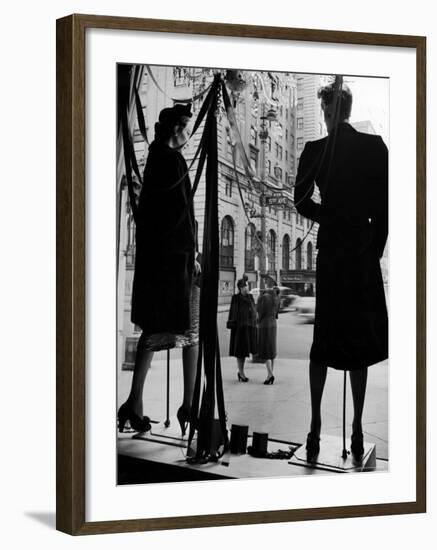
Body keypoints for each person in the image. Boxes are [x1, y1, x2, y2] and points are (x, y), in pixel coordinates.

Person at [294, 80, 388, 462]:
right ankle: (357, 428)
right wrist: (372, 247)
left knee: (325, 339)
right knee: (358, 346)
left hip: (333, 253)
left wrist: (326, 216)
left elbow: (301, 200)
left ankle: (315, 427)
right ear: (346, 109)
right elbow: (385, 207)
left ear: (328, 112)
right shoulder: (374, 147)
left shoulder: (316, 150)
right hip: (361, 254)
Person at [118, 103, 201, 437]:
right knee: (191, 330)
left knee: (152, 331)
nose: (188, 136)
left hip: (157, 263)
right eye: (185, 129)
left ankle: (133, 403)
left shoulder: (154, 159)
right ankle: (189, 406)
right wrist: (192, 254)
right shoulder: (172, 160)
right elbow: (182, 216)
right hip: (174, 264)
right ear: (176, 129)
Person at [227, 276, 258, 382]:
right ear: (240, 288)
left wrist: (255, 322)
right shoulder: (235, 298)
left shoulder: (250, 297)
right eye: (244, 287)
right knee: (240, 352)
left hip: (248, 328)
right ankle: (241, 373)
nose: (246, 288)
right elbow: (233, 313)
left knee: (244, 352)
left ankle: (241, 372)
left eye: (246, 286)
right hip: (239, 329)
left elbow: (254, 311)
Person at [257, 288, 280, 385]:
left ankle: (270, 375)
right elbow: (276, 314)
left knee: (265, 350)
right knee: (271, 350)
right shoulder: (276, 298)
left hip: (264, 325)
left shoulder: (263, 297)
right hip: (273, 324)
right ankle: (269, 374)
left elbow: (260, 312)